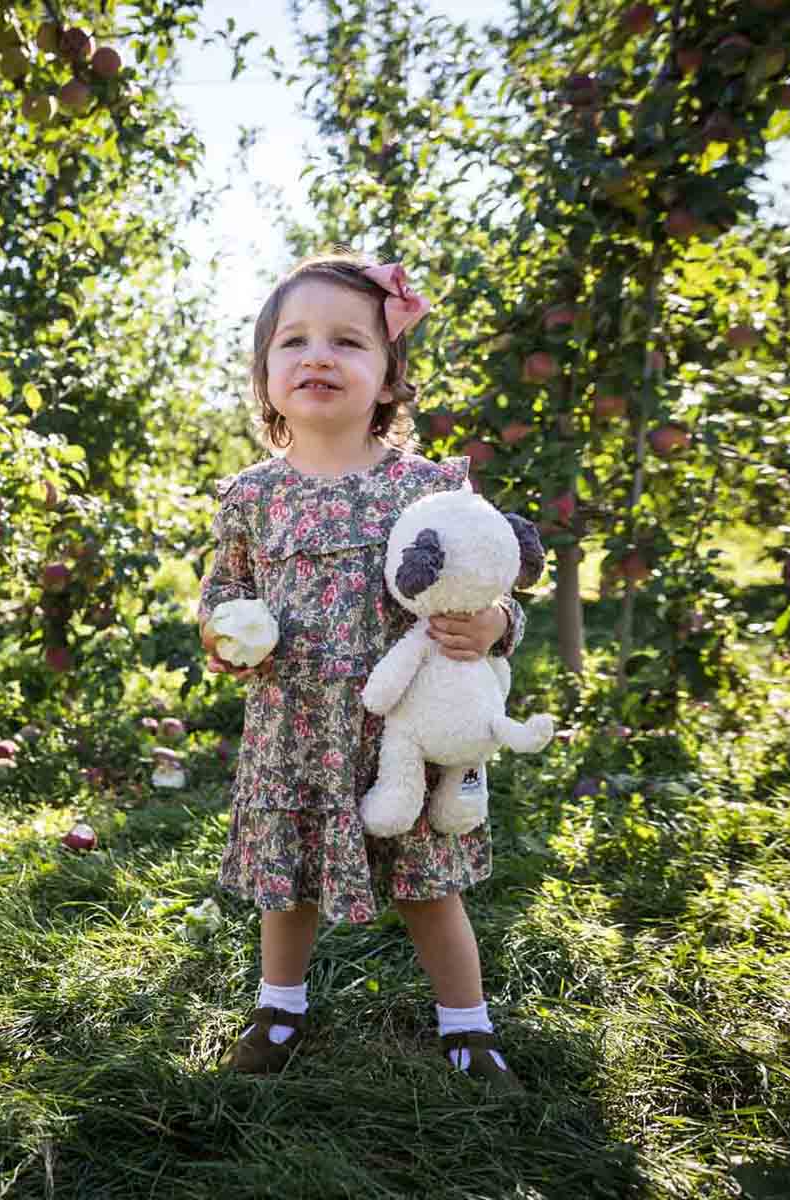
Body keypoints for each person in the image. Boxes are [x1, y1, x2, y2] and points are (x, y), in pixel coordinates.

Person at [199, 252, 529, 1089]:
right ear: (265, 373)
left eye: (347, 341)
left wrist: (495, 623)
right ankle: (282, 1005)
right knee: (289, 883)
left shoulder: (427, 489)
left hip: (403, 733)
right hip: (291, 731)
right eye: (294, 341)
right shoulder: (250, 497)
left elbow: (491, 578)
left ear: (388, 379)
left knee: (427, 883)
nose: (317, 356)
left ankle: (468, 1022)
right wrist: (222, 634)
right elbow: (225, 590)